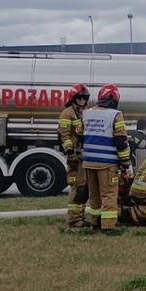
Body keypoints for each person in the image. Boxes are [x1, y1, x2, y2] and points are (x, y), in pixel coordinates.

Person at [78, 83, 131, 232]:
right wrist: (126, 163)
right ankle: (108, 226)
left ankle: (94, 222)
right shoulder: (116, 115)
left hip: (88, 161)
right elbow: (121, 141)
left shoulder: (86, 113)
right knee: (109, 194)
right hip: (107, 163)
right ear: (114, 99)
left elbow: (81, 136)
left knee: (94, 194)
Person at [57, 83, 90, 228]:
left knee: (84, 188)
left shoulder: (86, 112)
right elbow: (64, 136)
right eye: (79, 97)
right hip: (75, 157)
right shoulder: (67, 113)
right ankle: (75, 219)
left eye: (84, 97)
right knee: (77, 187)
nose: (82, 100)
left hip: (84, 156)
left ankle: (80, 217)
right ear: (73, 98)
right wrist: (70, 153)